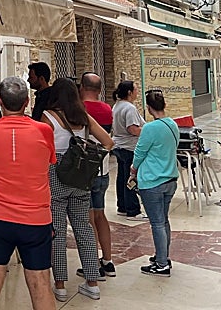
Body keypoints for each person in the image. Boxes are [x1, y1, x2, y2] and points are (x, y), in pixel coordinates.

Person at [0, 77, 56, 310]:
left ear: (0, 101)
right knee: (40, 283)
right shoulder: (43, 130)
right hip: (36, 218)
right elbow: (49, 160)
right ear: (27, 102)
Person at [43, 77, 113, 301]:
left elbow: (41, 147)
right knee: (84, 230)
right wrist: (89, 152)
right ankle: (92, 283)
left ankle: (60, 285)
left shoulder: (49, 116)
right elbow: (108, 142)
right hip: (81, 178)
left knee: (58, 232)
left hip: (56, 175)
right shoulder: (84, 117)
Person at [131, 89, 178, 276]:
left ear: (149, 108)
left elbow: (140, 152)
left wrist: (133, 170)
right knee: (164, 220)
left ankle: (161, 263)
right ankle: (162, 255)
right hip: (170, 179)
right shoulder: (172, 124)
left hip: (152, 181)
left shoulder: (149, 128)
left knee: (157, 223)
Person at [77, 73, 116, 279]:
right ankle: (108, 260)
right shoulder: (107, 109)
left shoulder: (80, 109)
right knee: (101, 215)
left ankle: (92, 264)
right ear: (100, 90)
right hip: (104, 169)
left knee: (88, 218)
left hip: (86, 170)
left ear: (82, 87)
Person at [111, 80, 145, 220]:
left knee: (122, 177)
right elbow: (132, 129)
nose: (137, 92)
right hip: (129, 147)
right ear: (130, 92)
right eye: (136, 89)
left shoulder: (117, 106)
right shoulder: (129, 108)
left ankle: (122, 206)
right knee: (131, 178)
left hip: (119, 145)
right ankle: (133, 210)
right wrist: (148, 131)